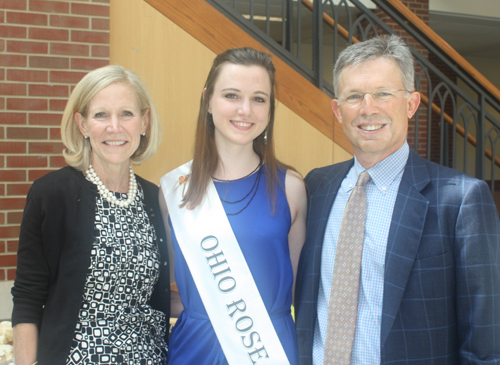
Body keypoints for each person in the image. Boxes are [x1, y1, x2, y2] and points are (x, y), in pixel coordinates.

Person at [295, 34, 500, 364]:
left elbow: (485, 338)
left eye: (383, 94)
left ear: (411, 103)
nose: (368, 108)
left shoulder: (461, 200)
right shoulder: (316, 186)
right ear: (337, 110)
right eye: (354, 96)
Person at [11, 65, 170, 365]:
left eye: (126, 114)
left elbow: (158, 295)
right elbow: (29, 298)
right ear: (82, 124)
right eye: (100, 115)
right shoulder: (51, 194)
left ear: (144, 122)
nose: (114, 127)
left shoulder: (157, 199)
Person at [159, 47, 307, 365]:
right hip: (193, 350)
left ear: (270, 109)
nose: (245, 110)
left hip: (268, 350)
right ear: (208, 101)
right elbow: (165, 288)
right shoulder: (174, 190)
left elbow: (300, 293)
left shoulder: (292, 188)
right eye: (231, 95)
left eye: (258, 98)